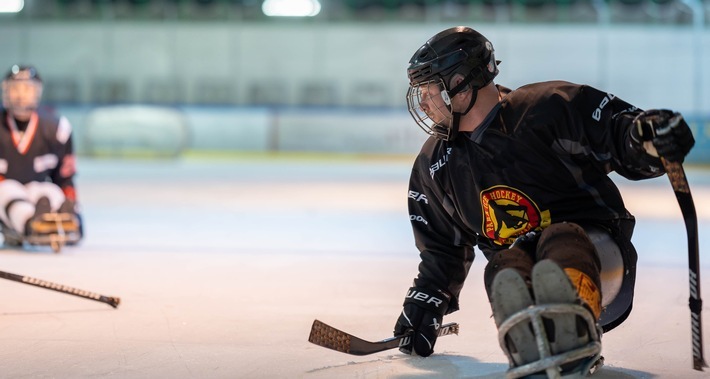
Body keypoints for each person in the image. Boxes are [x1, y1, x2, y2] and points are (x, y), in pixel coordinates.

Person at [393, 26, 694, 377]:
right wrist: (426, 301)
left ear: (460, 84)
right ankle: (531, 349)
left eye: (430, 91)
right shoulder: (435, 164)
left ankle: (576, 329)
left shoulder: (547, 108)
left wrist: (648, 138)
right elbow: (443, 248)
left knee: (559, 239)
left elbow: (619, 135)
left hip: (599, 260)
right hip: (523, 267)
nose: (425, 104)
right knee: (504, 266)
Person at [0, 64, 82, 248]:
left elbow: (65, 178)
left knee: (48, 191)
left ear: (37, 92)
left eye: (27, 88)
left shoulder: (57, 129)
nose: (21, 95)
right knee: (7, 190)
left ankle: (61, 215)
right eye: (15, 89)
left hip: (35, 191)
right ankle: (32, 223)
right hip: (4, 198)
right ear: (6, 91)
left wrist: (73, 204)